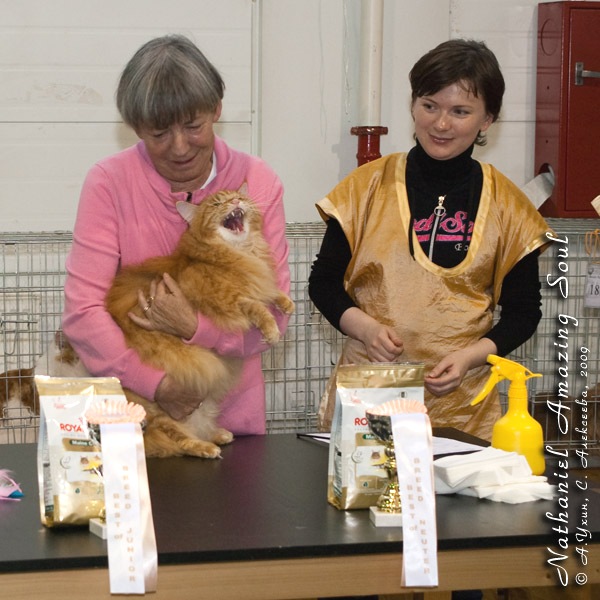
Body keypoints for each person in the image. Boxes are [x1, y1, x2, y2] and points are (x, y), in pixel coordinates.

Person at [308, 39, 553, 442]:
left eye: (460, 111)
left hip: (465, 407)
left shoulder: (511, 207)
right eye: (430, 106)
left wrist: (471, 357)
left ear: (487, 119)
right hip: (371, 399)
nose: (441, 124)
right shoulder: (365, 188)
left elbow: (524, 313)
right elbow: (324, 282)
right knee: (364, 502)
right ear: (413, 106)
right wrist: (366, 329)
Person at [62, 34, 291, 434]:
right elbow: (83, 314)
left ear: (216, 109)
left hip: (231, 417)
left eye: (193, 125)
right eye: (159, 133)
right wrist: (157, 384)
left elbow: (272, 320)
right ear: (136, 128)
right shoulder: (109, 183)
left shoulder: (257, 182)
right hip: (140, 417)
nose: (180, 146)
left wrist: (194, 328)